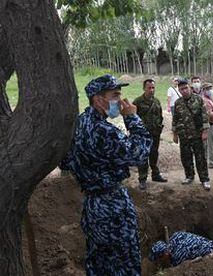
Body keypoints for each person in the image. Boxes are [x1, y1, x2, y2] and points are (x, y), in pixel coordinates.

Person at [59, 74, 152, 275]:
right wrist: (132, 118)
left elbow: (65, 161)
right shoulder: (104, 131)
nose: (120, 101)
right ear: (99, 99)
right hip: (113, 206)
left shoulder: (79, 123)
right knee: (125, 262)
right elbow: (140, 154)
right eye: (115, 95)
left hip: (92, 206)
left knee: (99, 263)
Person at [172, 79, 211, 190]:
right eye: (181, 89)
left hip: (197, 134)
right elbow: (175, 119)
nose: (184, 91)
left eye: (185, 88)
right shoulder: (178, 102)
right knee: (186, 157)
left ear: (190, 88)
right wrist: (174, 134)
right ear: (179, 90)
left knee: (201, 158)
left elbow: (205, 116)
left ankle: (205, 179)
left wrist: (205, 131)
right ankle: (189, 176)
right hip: (183, 135)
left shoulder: (199, 100)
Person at [133, 79, 167, 190]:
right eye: (149, 88)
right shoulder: (137, 102)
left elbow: (160, 115)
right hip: (143, 135)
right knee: (143, 155)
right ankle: (142, 179)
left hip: (155, 133)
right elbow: (132, 118)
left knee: (154, 154)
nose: (151, 90)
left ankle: (155, 174)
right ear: (144, 88)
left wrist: (159, 127)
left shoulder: (156, 101)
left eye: (153, 88)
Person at [149, 231, 213, 267]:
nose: (160, 261)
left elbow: (178, 268)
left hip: (212, 252)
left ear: (165, 254)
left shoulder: (178, 258)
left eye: (160, 259)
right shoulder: (176, 235)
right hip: (212, 243)